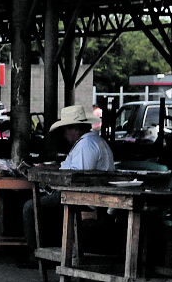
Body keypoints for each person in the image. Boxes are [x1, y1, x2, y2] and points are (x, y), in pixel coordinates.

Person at [22, 103, 114, 252]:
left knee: (30, 207)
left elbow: (78, 177)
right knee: (39, 202)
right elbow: (69, 167)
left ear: (76, 129)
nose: (64, 136)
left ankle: (36, 254)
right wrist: (48, 167)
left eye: (66, 131)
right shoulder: (89, 142)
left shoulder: (87, 145)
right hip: (86, 194)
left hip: (84, 197)